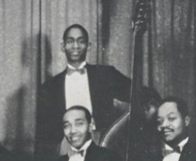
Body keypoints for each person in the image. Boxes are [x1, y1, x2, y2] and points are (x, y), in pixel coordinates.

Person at [36, 24, 131, 154]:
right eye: (70, 41)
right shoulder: (49, 87)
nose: (75, 46)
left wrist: (152, 105)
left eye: (81, 41)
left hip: (100, 145)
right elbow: (43, 134)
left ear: (88, 46)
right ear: (63, 47)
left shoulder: (106, 75)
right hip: (67, 148)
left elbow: (138, 93)